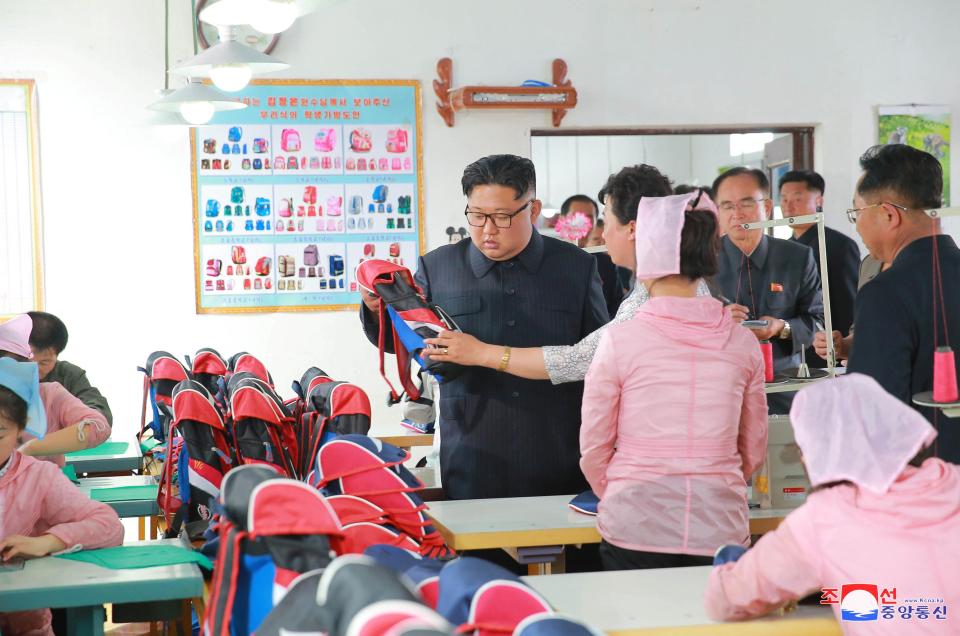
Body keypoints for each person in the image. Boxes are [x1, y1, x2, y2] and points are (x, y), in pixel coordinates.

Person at [360, 154, 609, 500]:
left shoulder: (577, 268)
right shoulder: (439, 268)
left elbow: (600, 359)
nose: (488, 230)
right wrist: (375, 312)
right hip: (473, 453)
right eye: (476, 216)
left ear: (533, 211)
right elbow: (409, 343)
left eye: (502, 217)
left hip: (559, 453)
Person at [579, 192, 768, 571]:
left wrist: (622, 494)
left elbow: (594, 449)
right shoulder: (742, 342)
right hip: (719, 526)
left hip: (634, 524)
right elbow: (753, 448)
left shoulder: (620, 340)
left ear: (646, 257)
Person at [704, 374, 960, 629]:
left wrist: (728, 561)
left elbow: (725, 599)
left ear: (813, 453)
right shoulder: (952, 479)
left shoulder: (825, 517)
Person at [424, 166, 714, 385]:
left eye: (607, 219)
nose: (604, 232)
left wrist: (481, 353)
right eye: (478, 215)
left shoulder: (656, 297)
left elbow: (580, 359)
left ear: (633, 228)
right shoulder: (670, 287)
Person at [845, 144, 960, 462]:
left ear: (888, 214)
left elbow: (875, 416)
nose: (856, 227)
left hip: (929, 485)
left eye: (857, 213)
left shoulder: (884, 293)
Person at [0, 357, 124, 636]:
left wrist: (46, 541)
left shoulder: (37, 477)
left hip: (25, 623)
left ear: (20, 432)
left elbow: (108, 525)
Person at [711, 167, 824, 413]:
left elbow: (818, 321)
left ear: (768, 206)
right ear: (717, 212)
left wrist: (781, 328)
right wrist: (716, 322)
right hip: (720, 393)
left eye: (746, 204)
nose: (737, 214)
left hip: (785, 388)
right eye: (728, 206)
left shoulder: (797, 257)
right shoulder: (702, 263)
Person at [0, 315, 110, 466]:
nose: (36, 369)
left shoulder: (50, 393)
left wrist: (32, 447)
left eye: (44, 362)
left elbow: (98, 425)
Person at [779, 170, 860, 368]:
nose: (788, 205)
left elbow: (848, 305)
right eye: (783, 199)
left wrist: (844, 348)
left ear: (819, 201)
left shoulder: (839, 245)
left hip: (828, 352)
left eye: (797, 198)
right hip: (794, 352)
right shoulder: (783, 249)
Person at [27, 311, 113, 424]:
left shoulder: (68, 374)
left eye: (44, 362)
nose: (33, 369)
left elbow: (99, 411)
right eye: (25, 361)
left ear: (57, 355)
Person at [813, 254, 886, 362]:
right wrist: (842, 346)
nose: (860, 236)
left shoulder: (918, 263)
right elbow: (861, 329)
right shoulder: (869, 263)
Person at [558, 194, 624, 316]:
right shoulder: (546, 258)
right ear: (562, 220)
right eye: (575, 217)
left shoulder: (606, 263)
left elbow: (617, 306)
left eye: (588, 218)